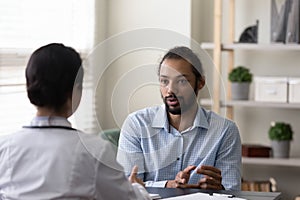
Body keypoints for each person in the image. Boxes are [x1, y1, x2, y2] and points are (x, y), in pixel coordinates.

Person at [0, 43, 150, 200]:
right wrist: (137, 188)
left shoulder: (4, 147)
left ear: (28, 86)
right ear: (76, 89)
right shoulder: (94, 151)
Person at [117, 46, 242, 190]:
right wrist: (168, 185)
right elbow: (127, 186)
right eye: (164, 81)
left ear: (200, 83)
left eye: (181, 81)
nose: (170, 90)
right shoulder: (137, 124)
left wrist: (220, 190)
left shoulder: (225, 131)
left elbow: (232, 190)